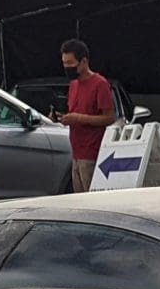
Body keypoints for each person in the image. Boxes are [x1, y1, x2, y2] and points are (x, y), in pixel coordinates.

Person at [49, 36, 116, 192]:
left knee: (92, 198)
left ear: (84, 62)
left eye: (71, 63)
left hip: (93, 153)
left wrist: (79, 118)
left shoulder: (100, 83)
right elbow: (75, 113)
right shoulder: (73, 85)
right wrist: (61, 117)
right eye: (64, 63)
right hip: (76, 152)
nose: (67, 67)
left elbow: (109, 117)